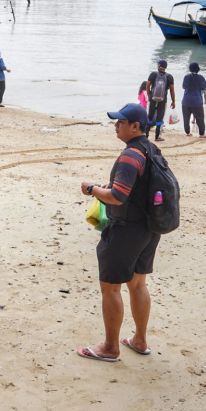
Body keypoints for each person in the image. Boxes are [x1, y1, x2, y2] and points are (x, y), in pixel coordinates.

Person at [77, 103, 160, 362]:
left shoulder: (130, 155)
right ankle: (140, 340)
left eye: (121, 122)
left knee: (111, 287)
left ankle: (111, 348)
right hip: (150, 228)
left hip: (126, 230)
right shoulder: (153, 150)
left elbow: (117, 196)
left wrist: (92, 189)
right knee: (138, 284)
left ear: (136, 126)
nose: (116, 126)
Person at [146, 59, 175, 142]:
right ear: (166, 67)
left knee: (150, 116)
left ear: (158, 66)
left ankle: (146, 135)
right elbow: (172, 90)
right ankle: (157, 136)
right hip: (163, 99)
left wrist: (149, 95)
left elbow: (147, 86)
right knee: (160, 117)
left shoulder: (153, 74)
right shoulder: (169, 76)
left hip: (152, 98)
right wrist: (173, 101)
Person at [181, 62, 206, 137]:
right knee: (200, 118)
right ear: (198, 69)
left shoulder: (186, 77)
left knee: (186, 118)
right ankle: (201, 134)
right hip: (197, 101)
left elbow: (183, 86)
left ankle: (188, 132)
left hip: (186, 101)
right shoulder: (200, 77)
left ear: (190, 69)